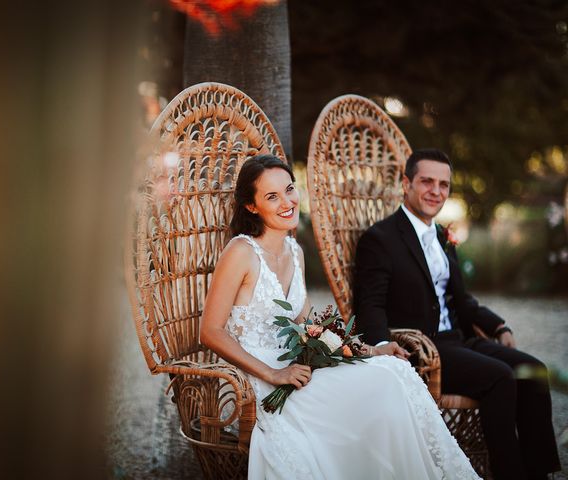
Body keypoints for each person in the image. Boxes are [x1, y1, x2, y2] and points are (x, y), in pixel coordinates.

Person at [200, 154, 481, 480]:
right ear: (251, 206)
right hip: (259, 378)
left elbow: (306, 325)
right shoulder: (241, 252)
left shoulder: (294, 251)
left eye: (290, 189)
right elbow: (211, 331)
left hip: (298, 368)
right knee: (380, 389)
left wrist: (371, 350)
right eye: (272, 196)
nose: (287, 201)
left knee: (392, 370)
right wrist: (272, 374)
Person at [354, 148, 561, 480]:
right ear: (406, 183)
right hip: (424, 350)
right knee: (500, 378)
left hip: (459, 339)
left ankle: (540, 473)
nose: (436, 191)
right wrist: (380, 346)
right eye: (427, 182)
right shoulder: (380, 239)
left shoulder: (441, 236)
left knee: (533, 370)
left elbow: (461, 299)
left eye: (444, 184)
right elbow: (371, 304)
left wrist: (498, 324)